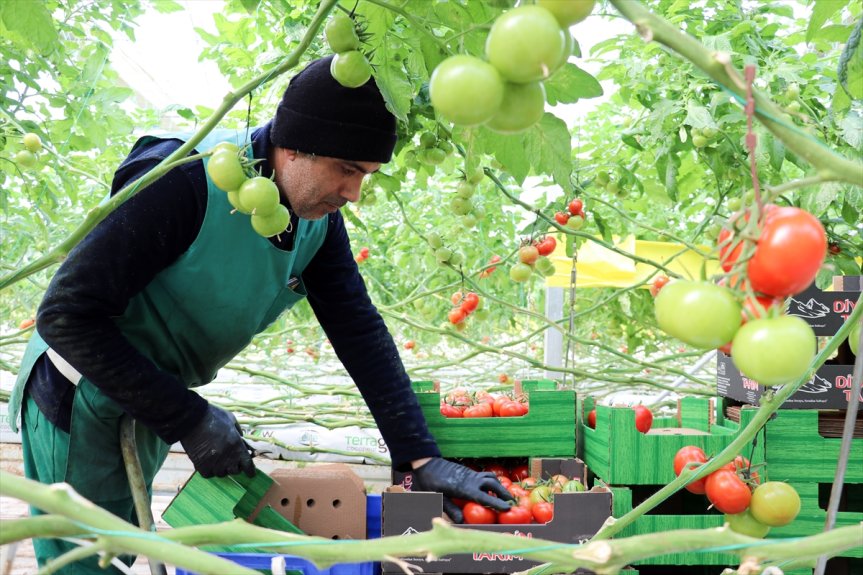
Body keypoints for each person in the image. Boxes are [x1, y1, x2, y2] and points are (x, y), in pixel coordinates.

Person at [8, 56, 513, 574]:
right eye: (347, 170)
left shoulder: (316, 223)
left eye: (365, 176)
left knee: (121, 551)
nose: (354, 193)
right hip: (80, 390)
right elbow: (66, 316)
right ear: (294, 146)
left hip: (146, 398)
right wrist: (190, 417)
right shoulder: (185, 180)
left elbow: (358, 330)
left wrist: (420, 458)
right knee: (82, 562)